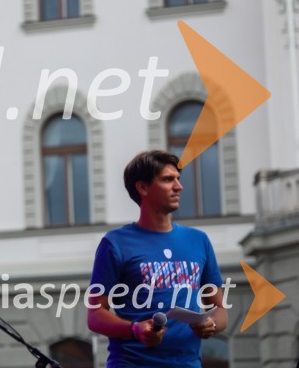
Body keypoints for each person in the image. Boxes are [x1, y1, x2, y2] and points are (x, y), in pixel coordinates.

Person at [87, 150, 227, 368]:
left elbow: (220, 310)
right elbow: (95, 315)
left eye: (178, 179)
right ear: (143, 188)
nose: (179, 186)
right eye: (168, 179)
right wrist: (134, 330)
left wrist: (211, 324)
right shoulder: (115, 243)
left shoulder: (199, 241)